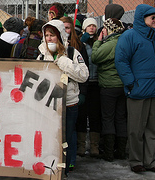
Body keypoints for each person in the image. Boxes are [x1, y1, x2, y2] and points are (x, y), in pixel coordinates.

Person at [115, 4, 155, 174]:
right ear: (142, 18)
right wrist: (130, 83)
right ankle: (136, 160)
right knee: (136, 129)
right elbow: (121, 61)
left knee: (154, 129)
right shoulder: (129, 36)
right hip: (138, 90)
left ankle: (151, 161)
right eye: (152, 17)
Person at [36, 19, 88, 175]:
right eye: (47, 35)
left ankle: (68, 163)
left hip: (69, 103)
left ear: (59, 36)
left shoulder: (71, 53)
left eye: (52, 35)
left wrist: (63, 61)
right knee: (51, 135)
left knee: (68, 134)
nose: (49, 39)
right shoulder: (42, 55)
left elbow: (84, 75)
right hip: (48, 103)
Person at [91, 18, 127, 162]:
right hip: (123, 85)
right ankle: (122, 151)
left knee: (108, 118)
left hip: (109, 85)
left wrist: (98, 41)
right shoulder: (125, 40)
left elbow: (95, 57)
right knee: (121, 118)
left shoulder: (111, 43)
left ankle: (109, 152)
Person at [77, 17, 102, 158]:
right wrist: (82, 42)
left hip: (96, 82)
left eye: (94, 26)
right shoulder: (82, 42)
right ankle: (81, 146)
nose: (91, 28)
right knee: (82, 115)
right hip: (84, 82)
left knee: (94, 115)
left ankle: (94, 146)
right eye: (89, 26)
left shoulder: (99, 42)